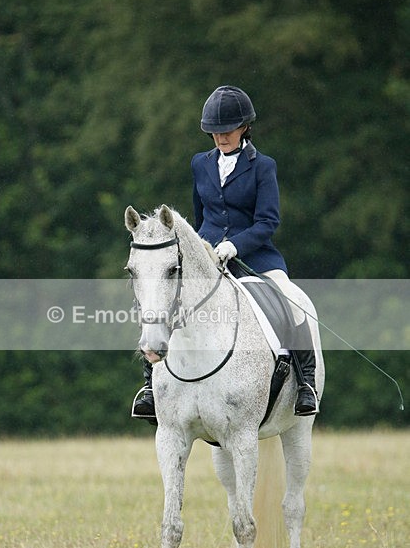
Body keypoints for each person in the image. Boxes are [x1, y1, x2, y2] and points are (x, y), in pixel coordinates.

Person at [132, 85, 319, 420]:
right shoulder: (199, 164)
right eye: (214, 132)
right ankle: (150, 384)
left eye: (227, 130)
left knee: (292, 300)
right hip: (209, 258)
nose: (220, 137)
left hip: (256, 257)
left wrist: (236, 244)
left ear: (244, 127)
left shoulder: (263, 166)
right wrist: (204, 250)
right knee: (164, 298)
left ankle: (305, 382)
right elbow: (201, 217)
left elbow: (268, 221)